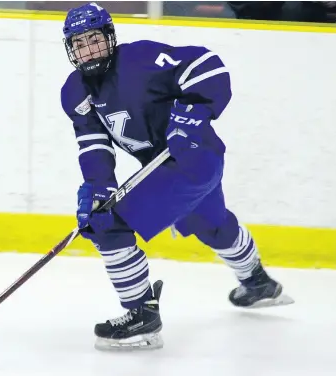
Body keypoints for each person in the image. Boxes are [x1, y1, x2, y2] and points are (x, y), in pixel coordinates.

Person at [60, 2, 294, 352]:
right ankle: (257, 282)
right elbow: (93, 146)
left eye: (94, 39)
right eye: (79, 44)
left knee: (109, 226)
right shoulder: (75, 92)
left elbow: (206, 66)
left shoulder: (141, 60)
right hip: (183, 165)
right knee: (213, 226)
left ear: (110, 37)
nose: (88, 49)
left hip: (191, 157)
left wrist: (193, 110)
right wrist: (97, 187)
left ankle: (142, 317)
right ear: (70, 50)